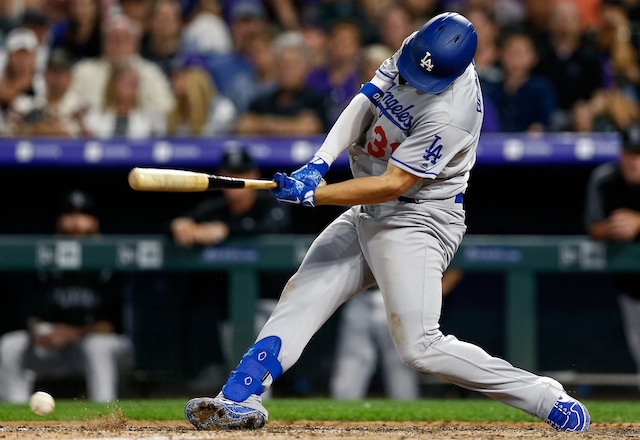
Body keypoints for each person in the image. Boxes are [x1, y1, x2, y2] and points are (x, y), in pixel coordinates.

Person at [183, 12, 591, 432]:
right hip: (370, 207)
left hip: (418, 219)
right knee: (303, 291)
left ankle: (543, 396)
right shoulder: (420, 47)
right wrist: (319, 162)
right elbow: (367, 98)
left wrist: (315, 194)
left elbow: (392, 184)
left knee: (419, 347)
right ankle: (239, 396)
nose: (414, 79)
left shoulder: (454, 112)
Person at [170, 145, 292, 393]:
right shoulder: (213, 210)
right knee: (242, 370)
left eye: (241, 172)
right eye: (229, 173)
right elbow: (180, 224)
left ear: (254, 174)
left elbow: (273, 227)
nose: (235, 179)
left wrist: (226, 231)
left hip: (274, 307)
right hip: (232, 310)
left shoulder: (269, 203)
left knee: (255, 371)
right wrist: (179, 224)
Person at [0, 189, 135, 403]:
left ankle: (105, 413)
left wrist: (74, 332)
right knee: (10, 344)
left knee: (97, 345)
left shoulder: (109, 262)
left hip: (104, 350)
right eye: (69, 215)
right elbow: (32, 315)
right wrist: (38, 332)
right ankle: (13, 416)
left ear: (95, 222)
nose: (76, 223)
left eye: (83, 215)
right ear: (58, 221)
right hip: (55, 348)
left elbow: (113, 325)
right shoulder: (45, 263)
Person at [330, 269, 464, 401]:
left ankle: (407, 420)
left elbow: (456, 266)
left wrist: (427, 298)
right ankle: (337, 420)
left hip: (401, 296)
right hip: (360, 296)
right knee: (350, 366)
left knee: (401, 366)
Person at [584, 122, 640, 390]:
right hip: (631, 287)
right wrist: (610, 228)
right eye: (630, 153)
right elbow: (592, 226)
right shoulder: (605, 178)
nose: (634, 161)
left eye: (639, 154)